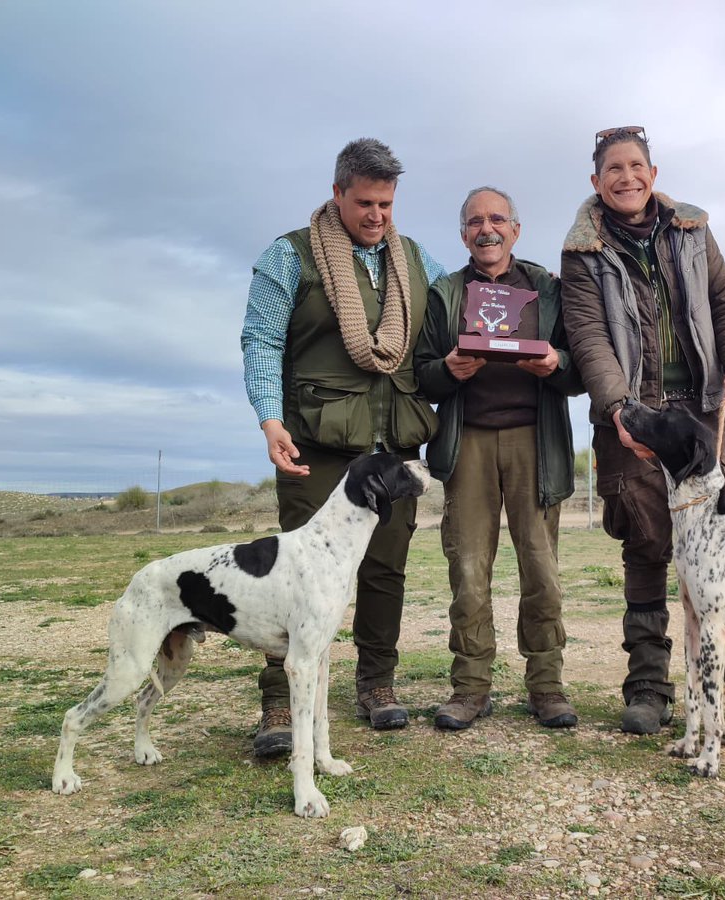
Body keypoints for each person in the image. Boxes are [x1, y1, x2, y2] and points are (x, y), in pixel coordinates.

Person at [560, 126, 725, 746]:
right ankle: (648, 689)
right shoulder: (581, 252)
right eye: (613, 169)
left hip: (703, 413)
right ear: (596, 181)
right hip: (633, 416)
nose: (626, 178)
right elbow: (588, 336)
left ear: (653, 174)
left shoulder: (693, 230)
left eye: (636, 166)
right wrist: (618, 410)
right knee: (646, 542)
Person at [241, 138, 447, 756]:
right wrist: (269, 419)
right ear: (337, 193)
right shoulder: (290, 256)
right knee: (293, 577)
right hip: (316, 444)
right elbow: (261, 339)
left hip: (393, 446)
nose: (377, 215)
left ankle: (376, 685)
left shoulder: (417, 260)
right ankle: (279, 703)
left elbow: (462, 308)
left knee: (385, 570)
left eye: (387, 204)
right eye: (365, 203)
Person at [414, 187, 583, 730]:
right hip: (468, 443)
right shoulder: (444, 293)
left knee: (542, 569)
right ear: (463, 234)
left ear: (516, 229)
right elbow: (421, 373)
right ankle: (469, 688)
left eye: (497, 219)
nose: (486, 229)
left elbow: (581, 367)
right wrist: (448, 370)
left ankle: (547, 686)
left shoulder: (548, 290)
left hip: (536, 441)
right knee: (467, 570)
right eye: (474, 222)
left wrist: (557, 364)